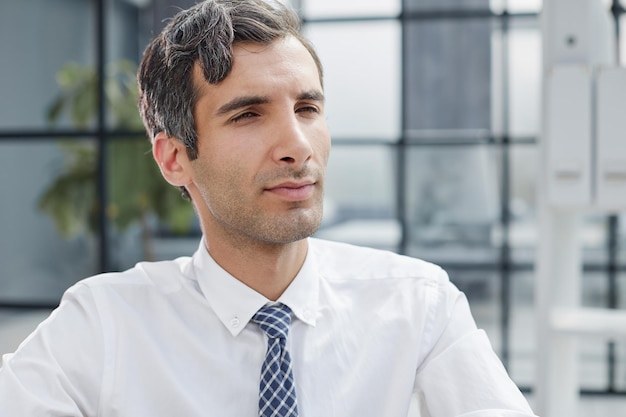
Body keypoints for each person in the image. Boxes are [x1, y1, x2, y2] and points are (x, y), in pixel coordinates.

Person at [0, 1, 538, 416]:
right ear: (173, 158)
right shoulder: (104, 323)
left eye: (308, 108)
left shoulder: (417, 303)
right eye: (247, 115)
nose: (297, 145)